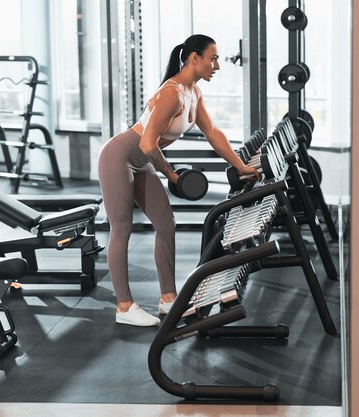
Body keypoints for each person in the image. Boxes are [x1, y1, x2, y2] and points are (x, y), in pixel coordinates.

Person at [98, 34, 260, 327]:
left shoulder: (194, 94)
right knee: (121, 227)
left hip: (143, 161)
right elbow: (147, 143)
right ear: (193, 58)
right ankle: (124, 306)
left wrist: (240, 166)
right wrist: (172, 175)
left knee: (166, 224)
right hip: (119, 156)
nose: (217, 66)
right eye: (213, 58)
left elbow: (213, 133)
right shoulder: (171, 93)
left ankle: (168, 299)